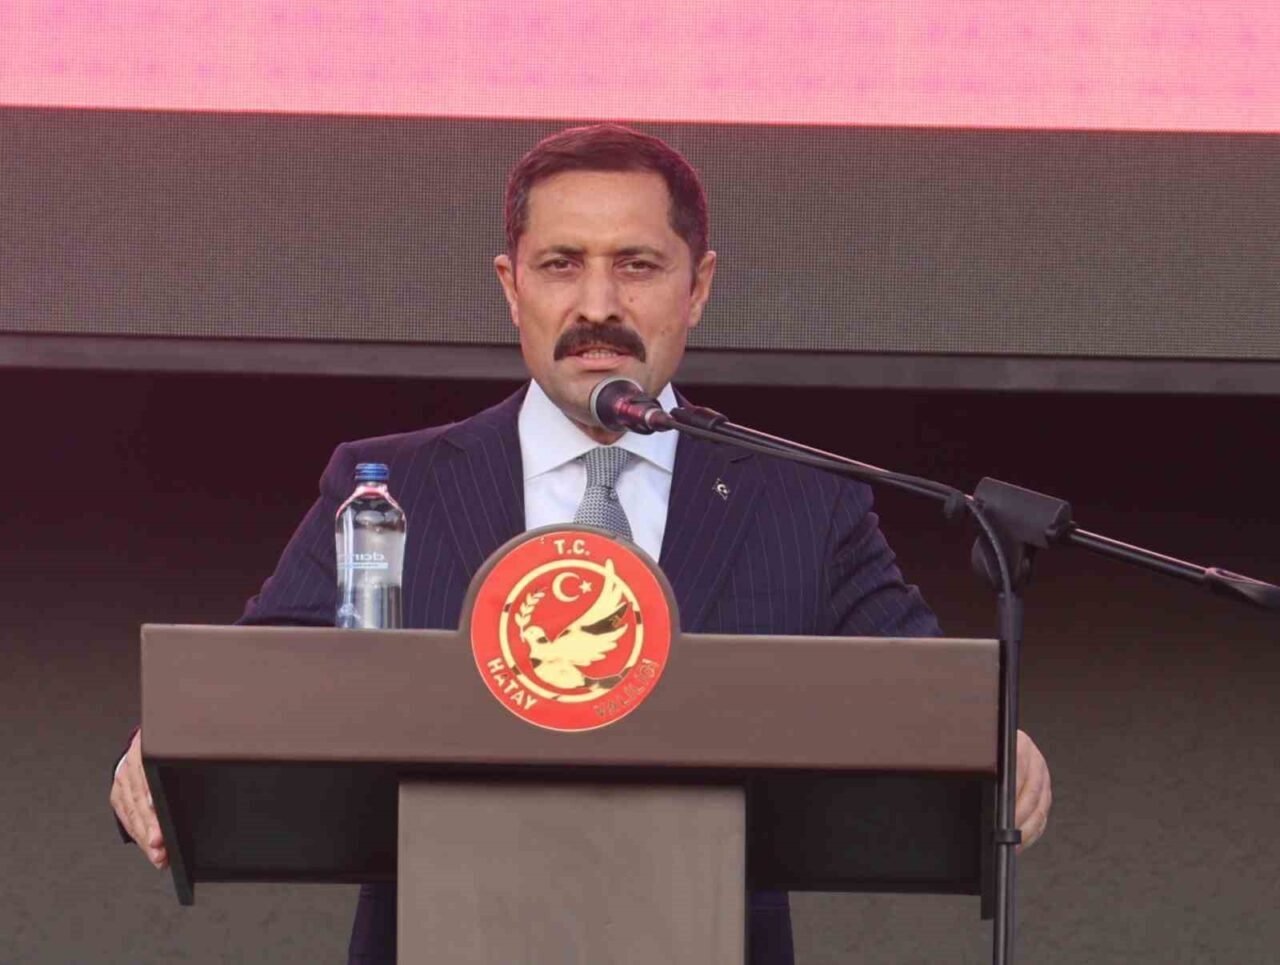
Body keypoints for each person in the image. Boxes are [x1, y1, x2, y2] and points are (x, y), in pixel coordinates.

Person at [111, 123, 1052, 964]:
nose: (598, 304)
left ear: (698, 287)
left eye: (637, 265)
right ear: (511, 286)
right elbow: (259, 683)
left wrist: (996, 741)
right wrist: (169, 742)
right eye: (562, 264)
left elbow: (926, 697)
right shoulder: (389, 489)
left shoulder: (802, 501)